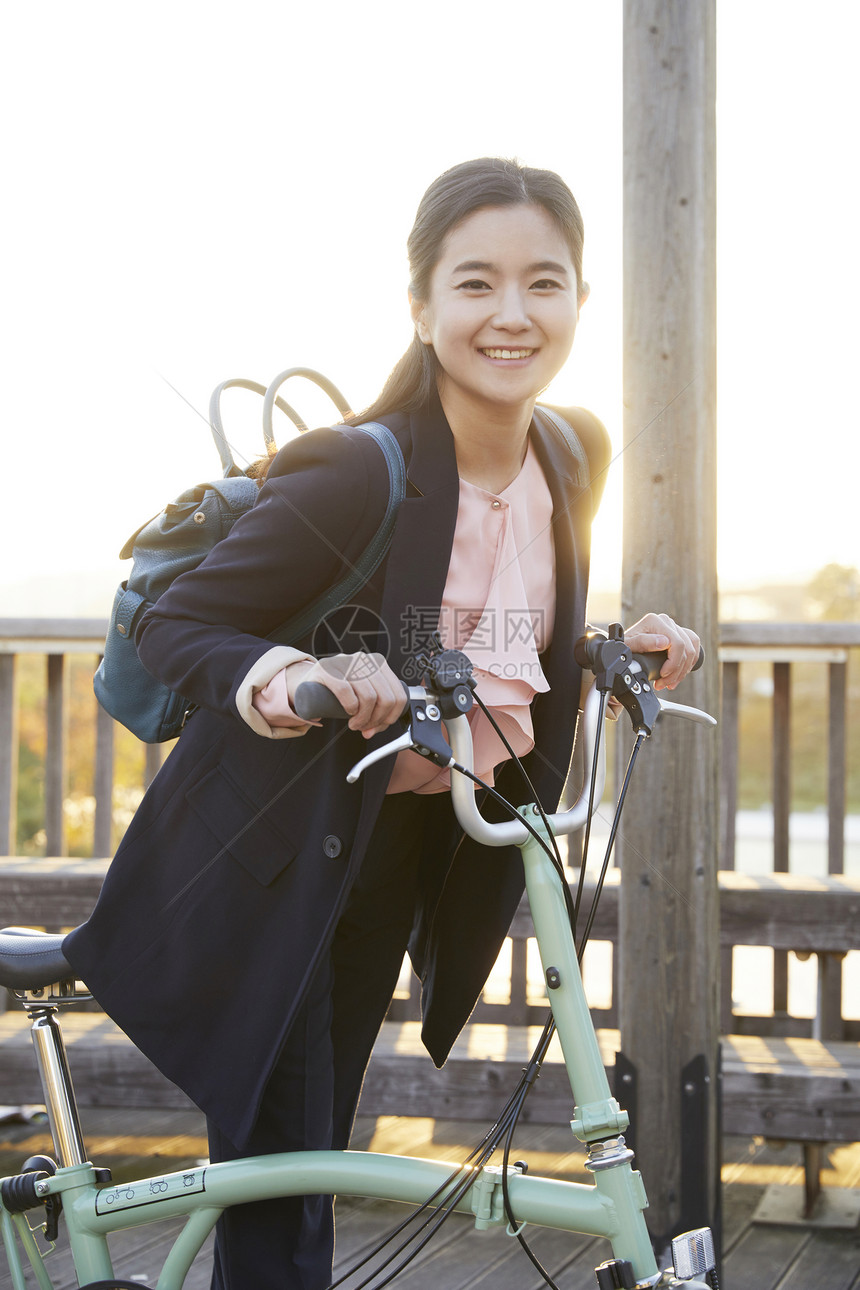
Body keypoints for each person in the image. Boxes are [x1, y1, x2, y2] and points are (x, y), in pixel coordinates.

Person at [65, 157, 701, 1289]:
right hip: (276, 857)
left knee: (311, 1152)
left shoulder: (570, 451)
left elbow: (486, 614)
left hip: (405, 846)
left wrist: (606, 650)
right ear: (419, 307)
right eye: (474, 285)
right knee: (283, 1189)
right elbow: (180, 620)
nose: (510, 315)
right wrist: (283, 674)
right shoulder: (357, 472)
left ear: (578, 303)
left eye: (541, 283)